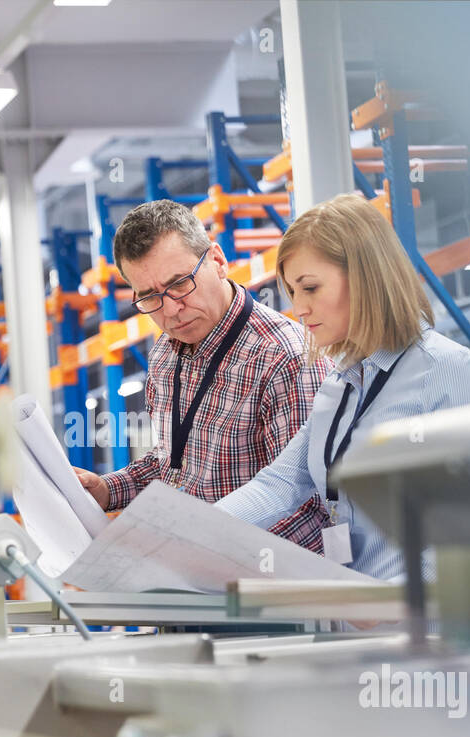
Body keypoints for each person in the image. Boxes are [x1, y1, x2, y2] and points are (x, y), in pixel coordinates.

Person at [216, 194, 470, 580]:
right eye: (293, 292)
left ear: (367, 277)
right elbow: (281, 482)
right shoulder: (340, 383)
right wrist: (191, 531)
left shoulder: (445, 369)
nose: (299, 308)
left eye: (310, 288)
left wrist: (395, 600)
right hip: (353, 625)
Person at [74, 199, 332, 550]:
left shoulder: (285, 358)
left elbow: (310, 506)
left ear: (218, 261)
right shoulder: (166, 354)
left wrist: (206, 549)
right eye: (150, 297)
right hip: (195, 580)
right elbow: (172, 465)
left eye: (179, 283)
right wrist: (107, 490)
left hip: (266, 589)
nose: (171, 310)